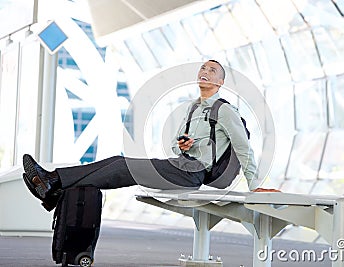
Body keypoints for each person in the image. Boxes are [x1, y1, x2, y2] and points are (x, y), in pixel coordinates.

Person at [22, 60, 279, 211]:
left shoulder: (225, 110)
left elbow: (243, 148)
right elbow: (178, 144)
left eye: (212, 70)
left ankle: (53, 183)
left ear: (220, 82)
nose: (205, 71)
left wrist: (255, 186)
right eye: (203, 67)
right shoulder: (192, 108)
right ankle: (53, 185)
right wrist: (182, 144)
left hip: (192, 173)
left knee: (123, 167)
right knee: (116, 160)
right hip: (179, 164)